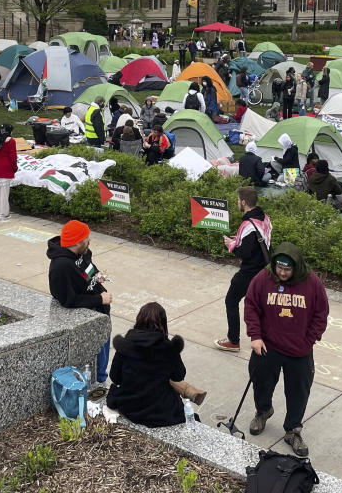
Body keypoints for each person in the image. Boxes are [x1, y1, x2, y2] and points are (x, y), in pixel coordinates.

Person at [244, 242, 329, 457]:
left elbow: (321, 313)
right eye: (279, 268)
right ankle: (263, 411)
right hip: (267, 346)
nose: (282, 272)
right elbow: (251, 305)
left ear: (296, 267)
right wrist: (255, 336)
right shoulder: (264, 278)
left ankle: (293, 430)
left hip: (299, 350)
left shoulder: (312, 283)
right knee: (260, 381)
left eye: (287, 269)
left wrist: (309, 340)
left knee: (298, 392)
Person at [107, 302, 205, 427]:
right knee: (192, 417)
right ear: (163, 323)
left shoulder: (126, 344)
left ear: (139, 320)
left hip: (130, 407)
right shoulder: (169, 348)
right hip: (160, 411)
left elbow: (115, 377)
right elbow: (178, 376)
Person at [47, 220, 112, 389]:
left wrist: (97, 275)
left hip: (100, 311)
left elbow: (87, 266)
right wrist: (100, 299)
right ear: (77, 242)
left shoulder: (81, 252)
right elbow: (68, 300)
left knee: (104, 350)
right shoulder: (60, 267)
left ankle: (101, 377)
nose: (89, 241)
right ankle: (98, 382)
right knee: (98, 354)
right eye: (86, 238)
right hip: (90, 316)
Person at [215, 187, 272, 352]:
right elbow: (260, 242)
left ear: (244, 202)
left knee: (231, 301)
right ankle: (268, 338)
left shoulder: (248, 224)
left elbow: (245, 254)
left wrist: (231, 245)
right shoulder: (264, 218)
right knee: (260, 306)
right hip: (264, 270)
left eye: (238, 200)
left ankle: (233, 341)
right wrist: (239, 239)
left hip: (249, 272)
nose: (237, 203)